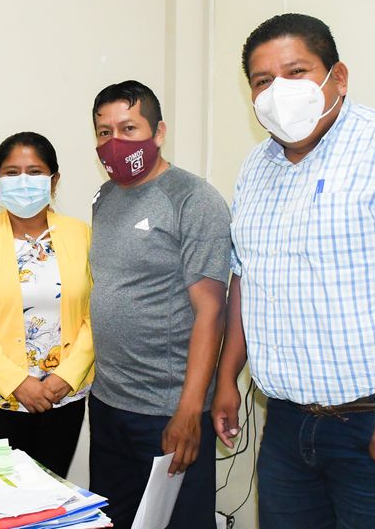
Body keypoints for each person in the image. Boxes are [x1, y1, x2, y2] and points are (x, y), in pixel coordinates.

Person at [213, 13, 375, 529]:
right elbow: (247, 278)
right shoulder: (256, 168)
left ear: (339, 77)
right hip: (288, 425)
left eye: (296, 72)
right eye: (263, 81)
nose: (279, 91)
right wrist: (227, 376)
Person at [88, 80, 231, 528]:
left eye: (128, 128)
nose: (115, 142)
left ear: (159, 131)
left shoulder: (193, 199)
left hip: (167, 410)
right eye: (105, 132)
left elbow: (212, 312)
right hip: (108, 402)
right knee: (113, 520)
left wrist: (189, 410)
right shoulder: (105, 197)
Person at [0, 132, 94, 478]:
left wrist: (67, 376)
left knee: (51, 493)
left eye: (35, 172)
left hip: (62, 396)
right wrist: (16, 382)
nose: (23, 181)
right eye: (12, 173)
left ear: (54, 180)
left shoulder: (82, 235)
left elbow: (97, 314)